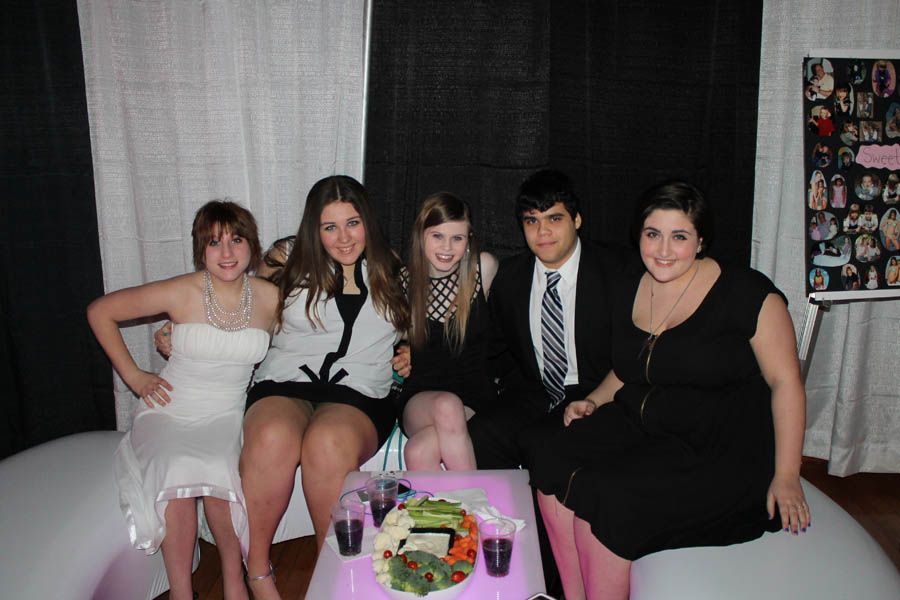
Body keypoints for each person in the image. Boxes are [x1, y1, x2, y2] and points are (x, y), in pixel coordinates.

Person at [528, 181, 809, 600]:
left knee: (607, 499)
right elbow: (628, 367)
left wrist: (787, 475)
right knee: (549, 454)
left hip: (718, 448)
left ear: (700, 241)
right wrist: (594, 399)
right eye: (652, 234)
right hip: (647, 426)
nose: (662, 249)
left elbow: (786, 382)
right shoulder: (632, 284)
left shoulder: (747, 294)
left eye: (679, 236)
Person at [88, 200, 280, 600]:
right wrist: (135, 376)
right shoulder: (181, 290)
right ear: (201, 250)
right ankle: (181, 593)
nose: (226, 253)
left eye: (236, 240)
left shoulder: (269, 297)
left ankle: (233, 578)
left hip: (225, 414)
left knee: (219, 472)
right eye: (214, 243)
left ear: (252, 246)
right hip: (169, 411)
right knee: (177, 471)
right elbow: (100, 311)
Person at [235, 175, 410, 598]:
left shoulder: (394, 271)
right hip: (285, 380)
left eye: (352, 223)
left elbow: (416, 332)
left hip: (361, 391)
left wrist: (411, 352)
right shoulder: (286, 259)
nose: (343, 238)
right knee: (274, 435)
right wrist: (179, 325)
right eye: (329, 227)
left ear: (368, 221)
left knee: (327, 443)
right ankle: (257, 569)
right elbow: (234, 301)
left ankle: (332, 574)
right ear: (314, 228)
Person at [396, 192, 499, 469]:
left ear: (468, 241)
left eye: (457, 238)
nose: (447, 246)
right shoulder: (403, 282)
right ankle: (476, 505)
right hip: (421, 397)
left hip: (473, 396)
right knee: (445, 405)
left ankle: (446, 513)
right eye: (437, 236)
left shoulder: (483, 269)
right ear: (421, 237)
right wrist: (401, 351)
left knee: (418, 451)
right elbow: (395, 340)